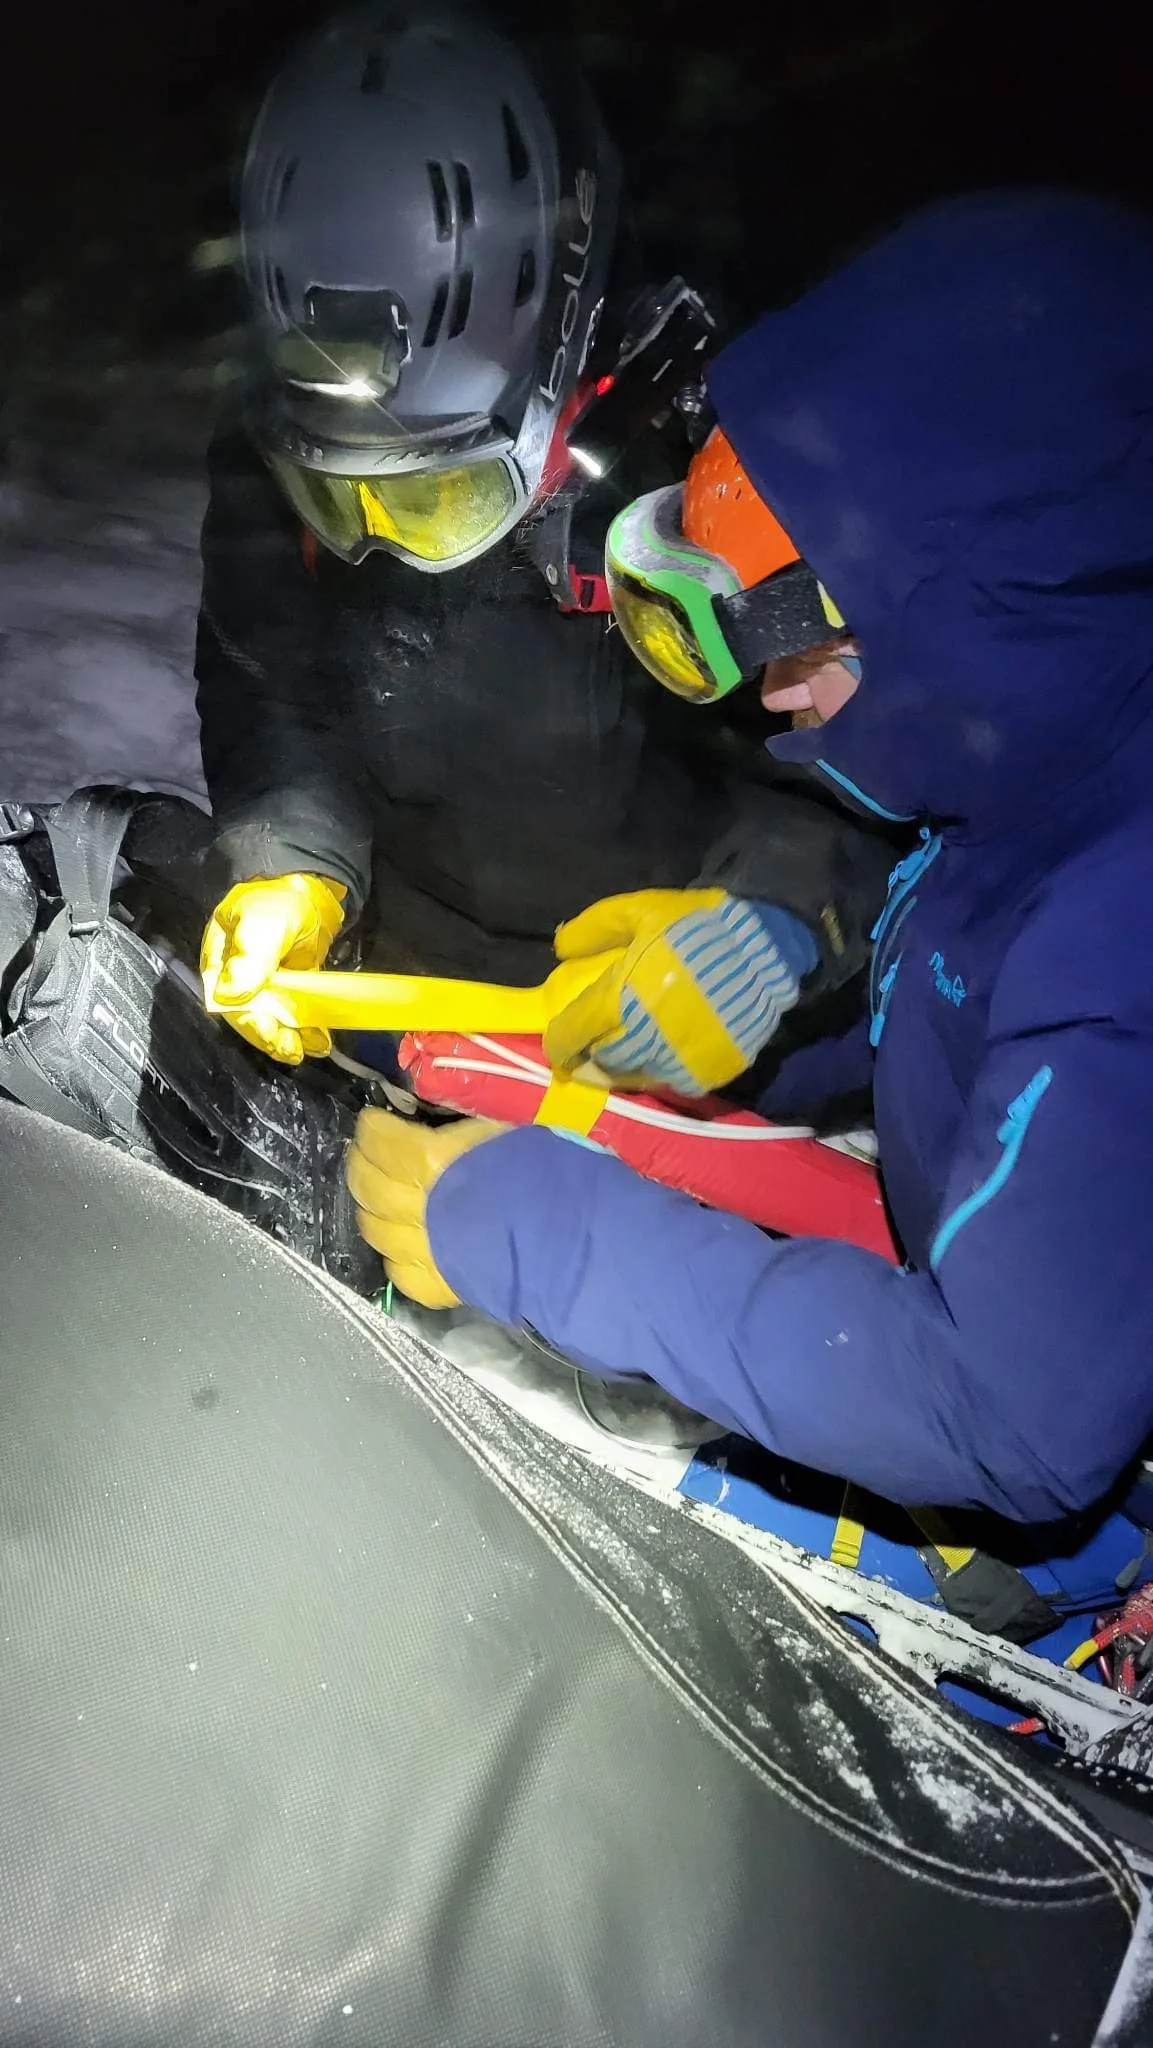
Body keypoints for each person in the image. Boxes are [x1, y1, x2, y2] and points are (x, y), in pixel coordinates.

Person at [347, 189, 1153, 1527]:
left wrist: (540, 1234)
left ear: (986, 623)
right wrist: (733, 1030)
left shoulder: (1122, 931)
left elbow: (1006, 1418)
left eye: (798, 640)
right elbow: (963, 1041)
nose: (769, 697)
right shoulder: (1029, 787)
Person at [195, 1, 895, 1078]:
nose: (384, 544)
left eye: (440, 494)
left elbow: (864, 755)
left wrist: (771, 922)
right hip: (402, 984)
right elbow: (267, 679)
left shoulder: (724, 458)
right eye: (338, 500)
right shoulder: (285, 430)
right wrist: (291, 854)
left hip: (679, 1020)